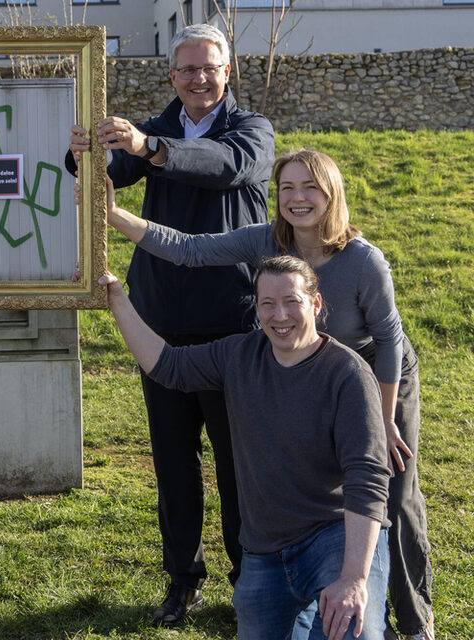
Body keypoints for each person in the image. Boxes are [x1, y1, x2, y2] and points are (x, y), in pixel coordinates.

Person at [105, 148, 434, 639]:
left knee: (391, 486)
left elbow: (388, 340)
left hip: (377, 368)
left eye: (310, 187)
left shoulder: (364, 260)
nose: (298, 198)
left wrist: (384, 420)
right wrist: (114, 216)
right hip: (304, 362)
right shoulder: (267, 241)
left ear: (332, 194)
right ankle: (305, 569)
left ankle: (414, 620)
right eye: (287, 188)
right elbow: (191, 248)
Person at [65, 23, 275, 624]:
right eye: (187, 69)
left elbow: (226, 166)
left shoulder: (251, 130)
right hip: (159, 324)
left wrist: (150, 148)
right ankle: (182, 579)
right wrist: (83, 153)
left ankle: (249, 580)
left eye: (209, 68)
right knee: (173, 463)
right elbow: (106, 170)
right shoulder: (152, 130)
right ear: (172, 75)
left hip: (233, 324)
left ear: (227, 72)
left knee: (237, 463)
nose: (198, 78)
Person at [100, 255, 391, 640]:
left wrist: (353, 578)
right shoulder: (239, 356)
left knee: (353, 631)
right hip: (265, 549)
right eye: (267, 303)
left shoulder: (348, 374)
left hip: (335, 537)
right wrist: (117, 298)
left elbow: (367, 479)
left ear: (316, 304)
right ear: (256, 307)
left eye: (292, 301)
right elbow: (168, 365)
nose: (279, 315)